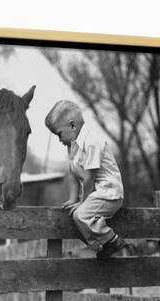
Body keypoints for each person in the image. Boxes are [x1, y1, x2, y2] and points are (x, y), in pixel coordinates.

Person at [44, 100, 126, 259]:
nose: (59, 140)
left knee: (80, 215)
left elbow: (89, 177)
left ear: (72, 126)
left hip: (109, 194)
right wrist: (73, 199)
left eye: (59, 134)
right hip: (98, 195)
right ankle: (100, 245)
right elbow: (73, 173)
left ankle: (112, 240)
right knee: (73, 216)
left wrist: (82, 203)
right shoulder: (76, 146)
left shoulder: (92, 141)